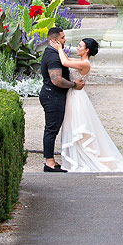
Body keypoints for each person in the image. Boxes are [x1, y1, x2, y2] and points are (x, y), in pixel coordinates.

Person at [51, 36, 123, 172]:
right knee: (71, 125)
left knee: (77, 126)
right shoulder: (81, 61)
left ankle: (81, 159)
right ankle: (76, 157)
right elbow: (67, 60)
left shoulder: (85, 63)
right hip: (73, 94)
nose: (77, 48)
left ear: (86, 50)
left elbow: (64, 62)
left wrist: (58, 48)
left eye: (80, 46)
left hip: (77, 97)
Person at [39, 26, 82, 172]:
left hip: (53, 94)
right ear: (54, 40)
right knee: (51, 128)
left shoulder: (54, 52)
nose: (65, 40)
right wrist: (74, 85)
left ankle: (51, 161)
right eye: (62, 38)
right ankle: (49, 163)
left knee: (53, 128)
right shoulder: (52, 56)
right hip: (52, 95)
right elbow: (56, 80)